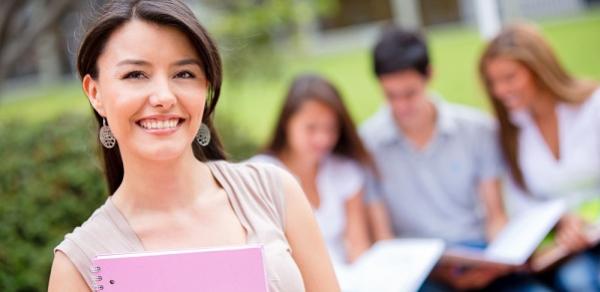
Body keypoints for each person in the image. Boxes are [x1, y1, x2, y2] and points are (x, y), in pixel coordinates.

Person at [47, 1, 340, 291]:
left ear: (206, 86)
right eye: (135, 75)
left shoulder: (274, 191)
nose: (164, 96)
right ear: (95, 92)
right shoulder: (78, 266)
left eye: (184, 74)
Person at [359, 27, 550, 291]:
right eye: (391, 96)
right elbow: (383, 237)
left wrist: (497, 261)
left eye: (410, 94)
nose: (401, 106)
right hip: (418, 269)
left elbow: (495, 215)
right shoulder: (368, 144)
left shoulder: (476, 130)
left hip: (477, 253)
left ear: (429, 76)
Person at [480, 22, 600, 291]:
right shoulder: (510, 130)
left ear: (539, 69)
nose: (499, 90)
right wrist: (561, 221)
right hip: (562, 245)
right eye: (493, 82)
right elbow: (521, 202)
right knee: (576, 280)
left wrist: (586, 225)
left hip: (593, 230)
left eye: (509, 77)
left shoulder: (593, 107)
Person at [250, 74, 372, 267]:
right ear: (287, 123)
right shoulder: (259, 175)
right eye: (311, 128)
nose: (322, 139)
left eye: (330, 128)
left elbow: (358, 246)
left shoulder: (345, 171)